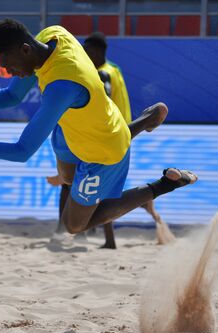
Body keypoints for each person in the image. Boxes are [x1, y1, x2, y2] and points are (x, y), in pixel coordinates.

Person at [0, 19, 197, 238]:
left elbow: (22, 152)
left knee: (75, 224)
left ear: (23, 50)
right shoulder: (52, 35)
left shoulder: (61, 87)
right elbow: (12, 96)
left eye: (7, 66)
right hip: (85, 128)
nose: (9, 74)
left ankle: (165, 183)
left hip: (102, 152)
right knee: (66, 175)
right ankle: (145, 121)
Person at [46, 31, 175, 249]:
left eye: (86, 51)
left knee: (81, 187)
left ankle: (67, 234)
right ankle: (116, 233)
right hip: (120, 130)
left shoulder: (101, 74)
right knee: (103, 189)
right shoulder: (114, 69)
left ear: (95, 52)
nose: (83, 55)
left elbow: (101, 99)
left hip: (107, 134)